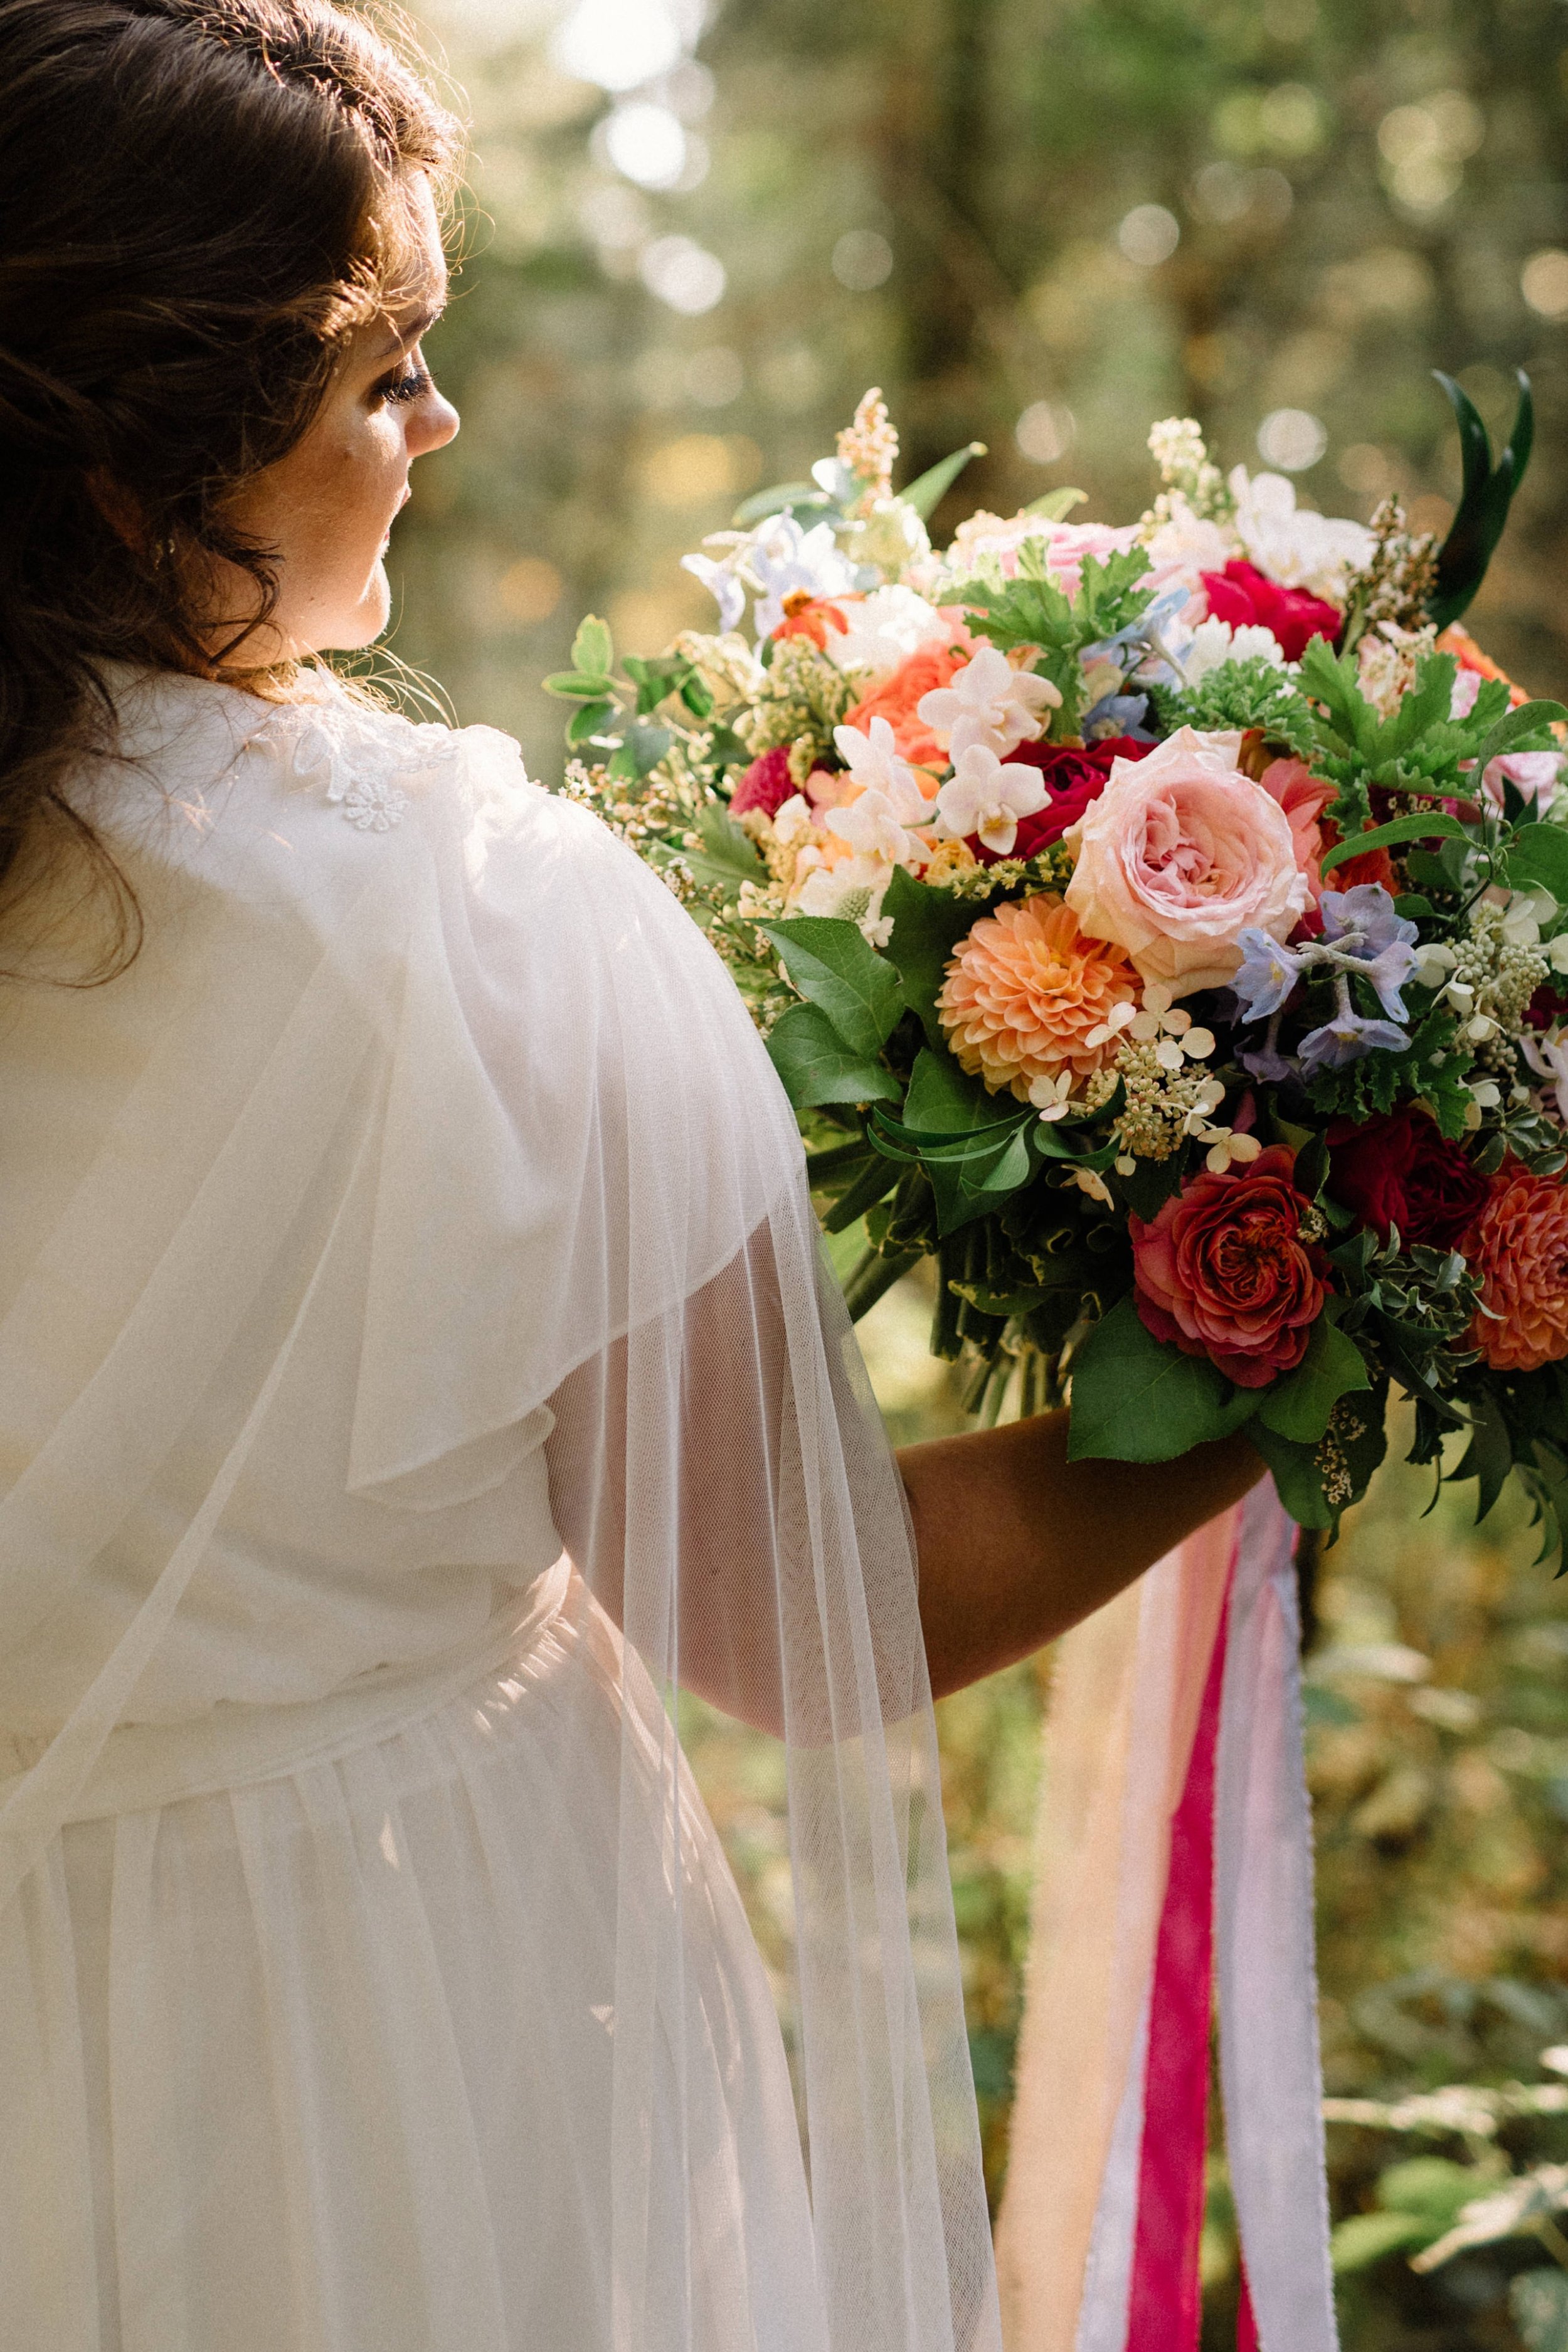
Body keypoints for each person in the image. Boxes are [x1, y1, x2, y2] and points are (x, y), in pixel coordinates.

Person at [0, 6, 1260, 2346]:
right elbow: (805, 1619)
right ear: (131, 463)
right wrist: (1278, 1359)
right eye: (381, 374)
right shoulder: (477, 917)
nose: (436, 427)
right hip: (409, 2012)